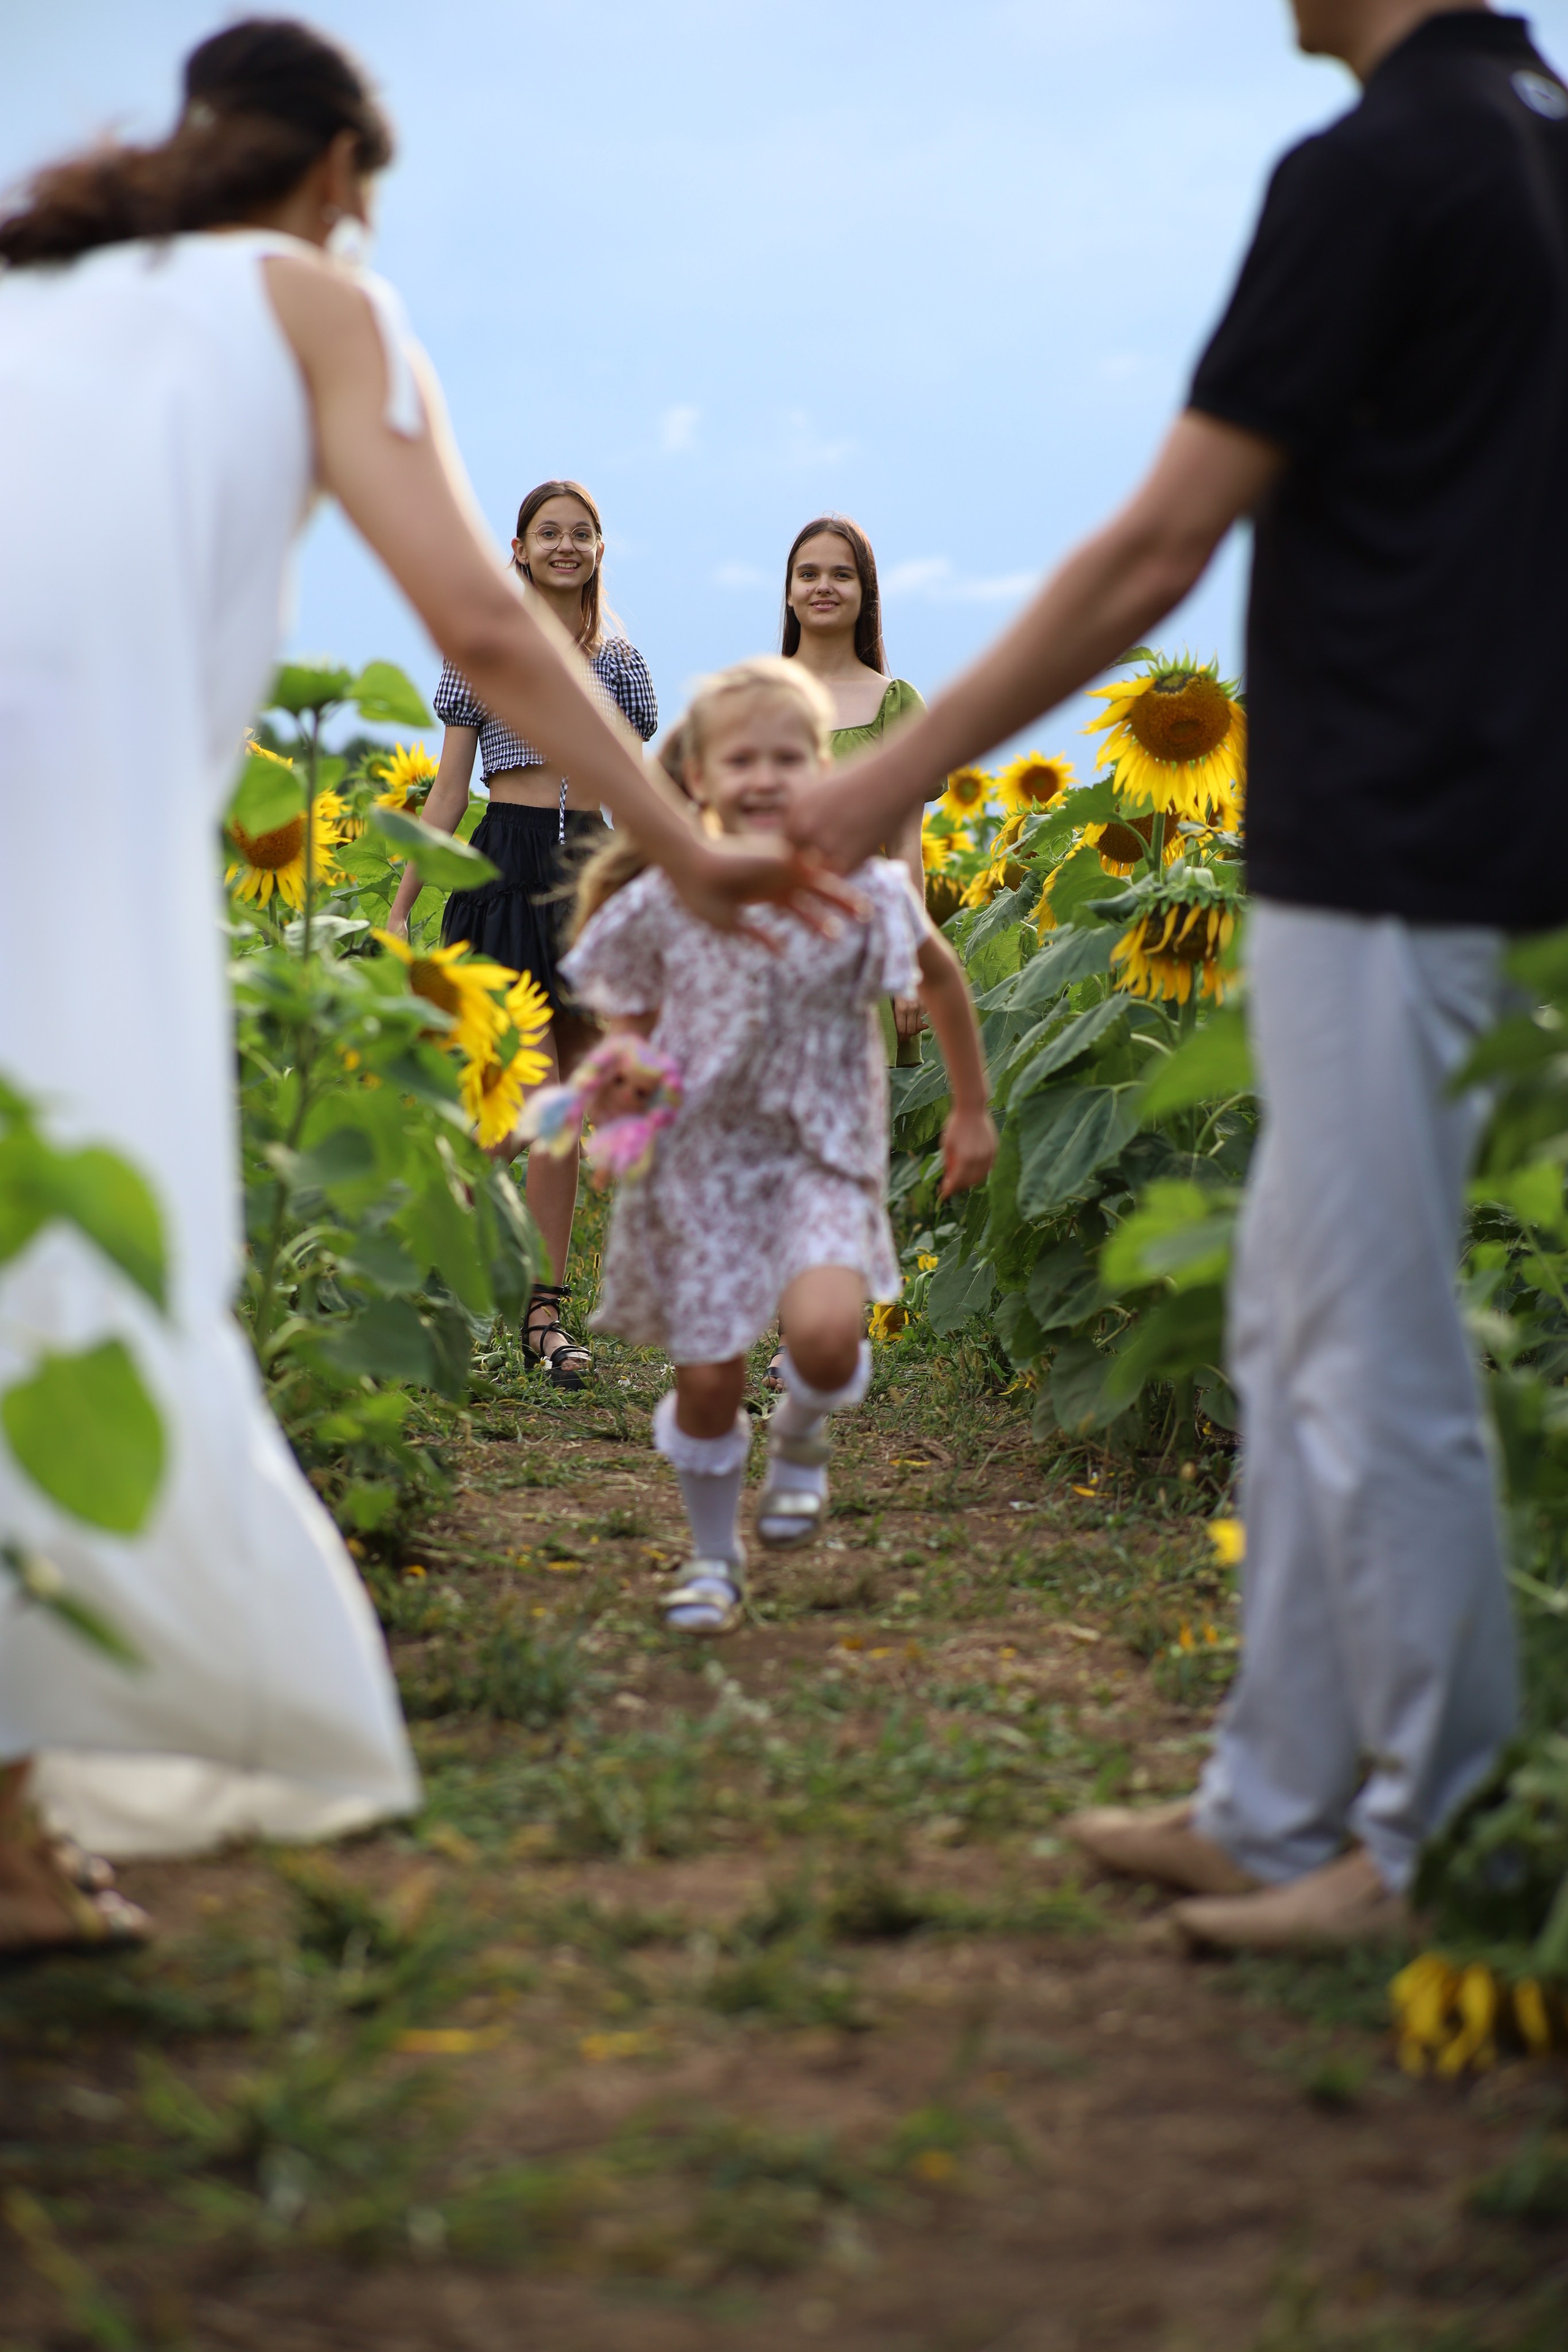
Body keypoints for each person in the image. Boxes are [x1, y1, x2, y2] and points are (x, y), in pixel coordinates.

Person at [0, 18, 849, 1955]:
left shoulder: (38, 289)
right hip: (67, 827)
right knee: (75, 1259)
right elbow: (475, 621)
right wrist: (686, 838)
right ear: (334, 180)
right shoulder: (314, 302)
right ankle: (23, 1808)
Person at [787, 0, 1561, 1950]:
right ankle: (1276, 1798)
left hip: (1384, 838)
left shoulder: (1377, 165)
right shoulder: (1534, 140)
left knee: (1373, 1349)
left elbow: (1156, 548)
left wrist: (892, 770)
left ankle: (1434, 1839)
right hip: (1476, 812)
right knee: (1295, 1323)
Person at [559, 659, 997, 1634]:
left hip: (820, 1149)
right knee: (709, 1379)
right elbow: (621, 1016)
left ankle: (801, 1434)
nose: (765, 776)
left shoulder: (868, 888)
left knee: (830, 1341)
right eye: (741, 758)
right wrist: (623, 1082)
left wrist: (970, 1109)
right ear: (699, 779)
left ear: (827, 771)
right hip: (699, 1165)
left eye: (789, 757)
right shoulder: (669, 891)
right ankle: (714, 1559)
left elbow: (944, 981)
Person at [385, 478, 657, 1390]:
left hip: (585, 876)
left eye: (583, 533)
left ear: (599, 550)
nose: (567, 545)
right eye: (551, 533)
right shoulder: (482, 653)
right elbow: (450, 790)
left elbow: (632, 791)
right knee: (518, 1099)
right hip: (501, 866)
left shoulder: (620, 661)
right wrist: (402, 901)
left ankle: (543, 1316)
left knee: (559, 1116)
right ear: (520, 548)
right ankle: (431, 1266)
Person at [781, 514, 928, 1065]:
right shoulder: (757, 700)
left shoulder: (895, 703)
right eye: (808, 574)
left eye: (841, 575)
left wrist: (908, 967)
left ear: (865, 593)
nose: (823, 587)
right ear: (790, 593)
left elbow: (906, 848)